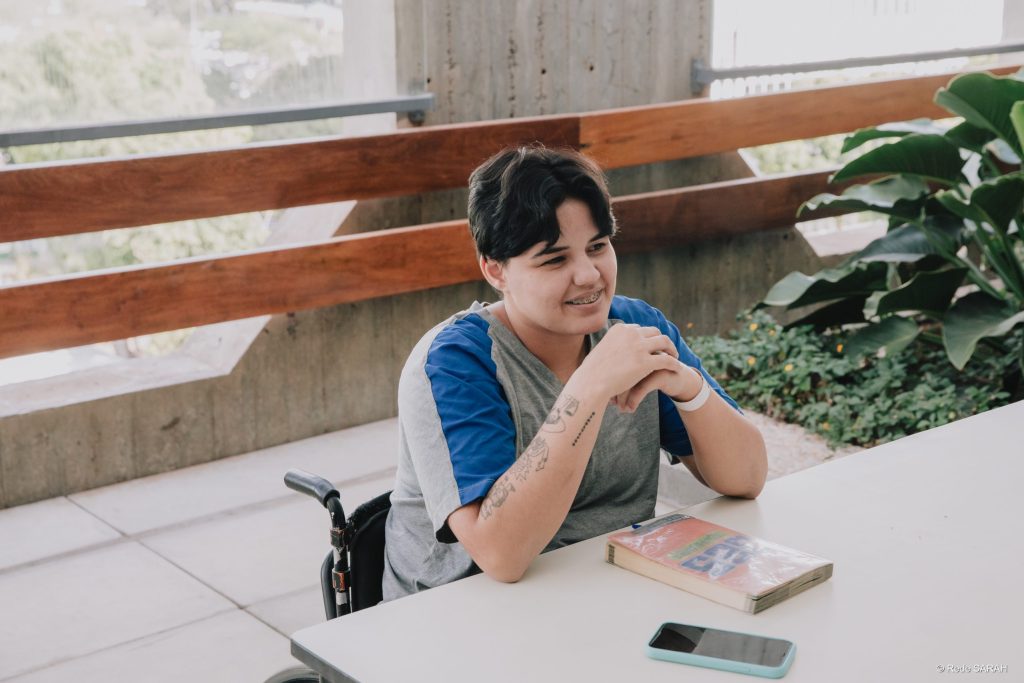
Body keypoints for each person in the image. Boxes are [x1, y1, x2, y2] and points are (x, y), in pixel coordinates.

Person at [382, 146, 767, 600]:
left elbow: (747, 479)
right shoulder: (454, 363)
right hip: (459, 609)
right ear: (495, 270)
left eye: (597, 247)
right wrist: (589, 387)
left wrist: (689, 389)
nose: (588, 275)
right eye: (554, 259)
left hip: (607, 592)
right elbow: (501, 555)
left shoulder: (635, 329)